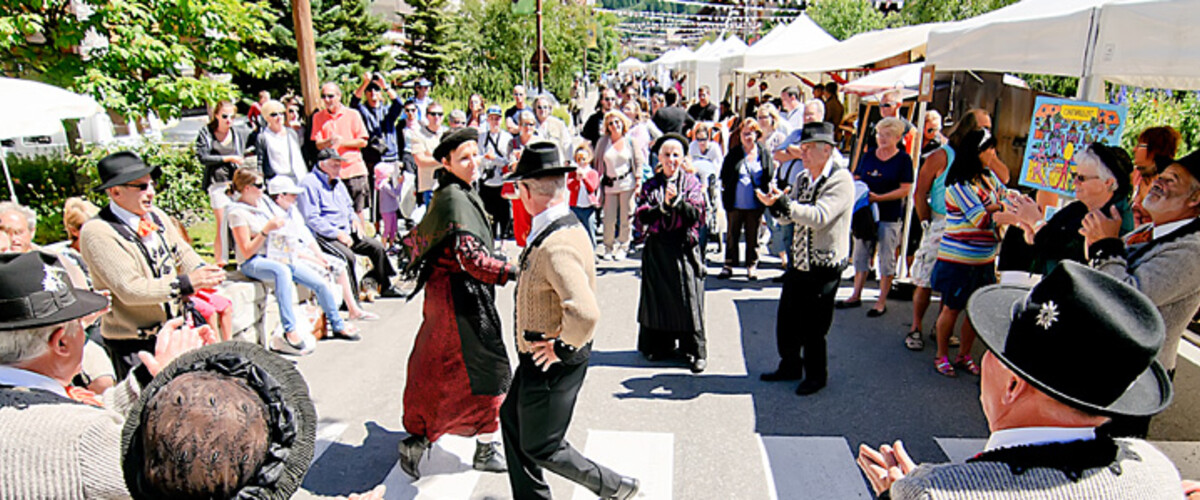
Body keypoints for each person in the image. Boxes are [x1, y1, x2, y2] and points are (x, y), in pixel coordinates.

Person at [859, 262, 1182, 500]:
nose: (985, 359)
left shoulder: (934, 494)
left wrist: (901, 495)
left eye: (994, 349)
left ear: (1013, 386)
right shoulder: (1157, 470)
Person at [0, 252, 219, 499]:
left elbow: (65, 412)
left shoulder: (41, 409)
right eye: (81, 324)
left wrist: (152, 376)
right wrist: (182, 395)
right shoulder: (85, 437)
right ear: (62, 342)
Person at [499, 143, 641, 500]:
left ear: (528, 191)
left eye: (520, 187)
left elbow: (585, 310)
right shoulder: (558, 223)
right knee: (512, 421)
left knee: (543, 445)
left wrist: (561, 347)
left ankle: (614, 486)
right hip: (540, 355)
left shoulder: (556, 243)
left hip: (552, 360)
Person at [396, 128, 518, 479]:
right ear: (446, 163)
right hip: (456, 301)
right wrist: (512, 271)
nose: (474, 162)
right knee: (469, 370)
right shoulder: (452, 197)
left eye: (475, 154)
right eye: (464, 158)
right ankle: (421, 438)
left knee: (462, 370)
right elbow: (472, 260)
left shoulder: (460, 191)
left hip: (457, 295)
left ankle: (475, 443)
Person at [1081, 150, 1200, 436]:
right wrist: (1098, 242)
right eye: (1161, 176)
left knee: (1110, 458)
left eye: (1172, 180)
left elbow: (1128, 300)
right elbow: (1102, 271)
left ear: (1195, 199)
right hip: (1112, 365)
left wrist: (1105, 245)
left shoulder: (1193, 250)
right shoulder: (1149, 229)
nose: (1159, 182)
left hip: (1137, 375)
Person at [80, 151, 226, 379]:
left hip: (175, 333)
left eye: (152, 184)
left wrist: (202, 270)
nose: (152, 192)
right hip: (134, 345)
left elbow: (181, 251)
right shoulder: (97, 232)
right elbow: (131, 289)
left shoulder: (155, 216)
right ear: (115, 191)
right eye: (141, 187)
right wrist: (186, 283)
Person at [755, 122, 853, 396]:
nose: (804, 154)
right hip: (800, 262)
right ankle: (790, 365)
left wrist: (785, 205)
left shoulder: (840, 179)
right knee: (787, 319)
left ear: (827, 150)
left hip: (824, 265)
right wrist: (775, 204)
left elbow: (820, 217)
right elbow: (791, 216)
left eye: (809, 149)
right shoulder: (802, 178)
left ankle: (816, 375)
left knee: (814, 325)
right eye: (803, 148)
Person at [227, 168, 358, 354]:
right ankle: (290, 330)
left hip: (276, 255)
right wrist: (266, 230)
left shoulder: (261, 205)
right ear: (247, 188)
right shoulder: (237, 213)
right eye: (258, 186)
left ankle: (337, 323)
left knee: (319, 281)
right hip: (254, 261)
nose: (262, 190)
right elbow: (246, 251)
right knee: (282, 272)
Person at [906, 110, 991, 351]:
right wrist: (925, 222)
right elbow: (920, 191)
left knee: (952, 279)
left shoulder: (978, 156)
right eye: (982, 128)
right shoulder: (942, 155)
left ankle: (940, 329)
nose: (987, 133)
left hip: (968, 225)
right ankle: (916, 327)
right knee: (924, 277)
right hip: (942, 221)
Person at [930, 129, 1007, 377]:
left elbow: (1005, 195)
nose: (993, 154)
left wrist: (1000, 204)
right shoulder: (958, 184)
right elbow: (980, 218)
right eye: (989, 149)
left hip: (984, 258)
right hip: (959, 259)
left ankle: (964, 354)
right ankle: (941, 354)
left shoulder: (988, 179)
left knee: (975, 309)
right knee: (951, 308)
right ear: (977, 152)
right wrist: (1002, 207)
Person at [996, 144, 1134, 276]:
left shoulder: (1114, 217)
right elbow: (1050, 237)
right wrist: (1029, 229)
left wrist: (1035, 222)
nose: (1075, 183)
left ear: (1107, 182)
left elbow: (1069, 253)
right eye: (1075, 176)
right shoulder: (1079, 207)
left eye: (1081, 178)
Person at [635, 134, 708, 372]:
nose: (671, 159)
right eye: (666, 155)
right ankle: (660, 346)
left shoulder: (692, 183)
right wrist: (663, 207)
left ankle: (695, 351)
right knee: (658, 299)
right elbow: (643, 215)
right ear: (659, 158)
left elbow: (696, 214)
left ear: (683, 158)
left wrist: (676, 202)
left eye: (676, 155)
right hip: (657, 249)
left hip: (682, 248)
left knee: (689, 299)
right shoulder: (651, 184)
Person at [268, 175, 377, 323]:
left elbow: (305, 234)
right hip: (289, 256)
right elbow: (286, 248)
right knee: (323, 276)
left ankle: (353, 309)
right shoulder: (273, 217)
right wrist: (315, 259)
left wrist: (319, 255)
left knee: (339, 265)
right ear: (280, 196)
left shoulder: (292, 211)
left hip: (302, 250)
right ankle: (334, 319)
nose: (296, 198)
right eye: (292, 195)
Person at [298, 148, 401, 299]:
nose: (339, 169)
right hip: (325, 235)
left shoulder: (338, 183)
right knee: (348, 257)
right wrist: (337, 234)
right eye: (334, 165)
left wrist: (355, 220)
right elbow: (312, 219)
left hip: (346, 231)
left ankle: (384, 286)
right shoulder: (309, 184)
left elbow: (349, 207)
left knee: (377, 247)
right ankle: (351, 300)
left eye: (339, 165)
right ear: (322, 165)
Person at [839, 117, 914, 317]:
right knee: (861, 252)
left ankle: (881, 301)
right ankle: (856, 294)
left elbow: (905, 189)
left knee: (887, 256)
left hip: (889, 214)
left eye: (887, 135)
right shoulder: (870, 155)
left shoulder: (903, 160)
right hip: (866, 213)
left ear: (898, 137)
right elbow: (857, 176)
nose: (882, 138)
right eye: (880, 134)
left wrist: (881, 197)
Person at [195, 100, 248, 267]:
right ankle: (220, 261)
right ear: (216, 115)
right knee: (221, 222)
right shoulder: (207, 133)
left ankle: (243, 258)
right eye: (225, 116)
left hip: (235, 184)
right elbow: (203, 157)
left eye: (232, 117)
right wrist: (227, 158)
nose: (228, 120)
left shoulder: (237, 134)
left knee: (239, 221)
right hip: (217, 183)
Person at [718, 119, 774, 280]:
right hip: (735, 202)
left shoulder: (763, 153)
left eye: (750, 133)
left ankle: (751, 265)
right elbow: (725, 174)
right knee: (732, 234)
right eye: (744, 133)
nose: (747, 137)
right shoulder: (734, 153)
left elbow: (768, 174)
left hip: (755, 203)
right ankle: (729, 264)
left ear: (757, 134)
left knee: (753, 235)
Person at [312, 82, 372, 225]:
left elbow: (363, 141)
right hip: (331, 173)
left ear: (339, 96)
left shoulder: (353, 115)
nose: (327, 100)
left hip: (353, 169)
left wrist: (342, 142)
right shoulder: (318, 117)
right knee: (334, 210)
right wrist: (329, 141)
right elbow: (318, 144)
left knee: (357, 211)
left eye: (331, 96)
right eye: (324, 96)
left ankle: (361, 242)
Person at [594, 110, 645, 261]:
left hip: (627, 183)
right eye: (611, 123)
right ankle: (608, 247)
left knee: (626, 217)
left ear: (623, 123)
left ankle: (623, 245)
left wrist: (638, 182)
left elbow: (638, 162)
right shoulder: (603, 142)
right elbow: (597, 164)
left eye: (617, 122)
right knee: (608, 219)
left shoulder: (630, 141)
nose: (614, 126)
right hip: (610, 184)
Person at [351, 72, 405, 182]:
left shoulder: (387, 111)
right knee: (373, 195)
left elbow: (398, 104)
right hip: (372, 159)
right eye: (369, 90)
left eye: (376, 90)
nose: (373, 93)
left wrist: (385, 86)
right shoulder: (364, 111)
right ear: (365, 93)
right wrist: (365, 83)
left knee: (393, 193)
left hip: (390, 158)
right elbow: (354, 103)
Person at [1130, 126, 1181, 228]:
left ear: (1155, 151)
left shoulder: (1173, 182)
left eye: (1140, 145)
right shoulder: (1136, 174)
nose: (1134, 149)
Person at [507, 110, 543, 247]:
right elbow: (511, 167)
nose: (529, 127)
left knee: (538, 222)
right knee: (522, 224)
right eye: (525, 124)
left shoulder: (540, 142)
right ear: (519, 126)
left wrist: (522, 160)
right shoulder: (513, 143)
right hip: (520, 189)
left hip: (537, 187)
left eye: (532, 124)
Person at [479, 105, 513, 240]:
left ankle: (504, 242)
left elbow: (508, 161)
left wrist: (495, 160)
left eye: (497, 119)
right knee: (489, 216)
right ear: (487, 120)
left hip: (501, 181)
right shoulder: (481, 137)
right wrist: (486, 160)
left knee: (504, 215)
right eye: (491, 118)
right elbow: (479, 158)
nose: (494, 122)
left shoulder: (507, 138)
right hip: (486, 182)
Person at [256, 99, 309, 183]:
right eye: (274, 114)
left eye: (281, 113)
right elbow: (260, 161)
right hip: (277, 181)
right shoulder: (263, 137)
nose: (279, 117)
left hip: (298, 177)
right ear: (266, 118)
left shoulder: (291, 133)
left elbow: (299, 157)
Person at [411, 101, 446, 206]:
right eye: (433, 114)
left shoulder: (447, 134)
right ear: (427, 116)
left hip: (448, 185)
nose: (436, 117)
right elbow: (420, 161)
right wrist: (444, 161)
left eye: (440, 114)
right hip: (430, 186)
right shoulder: (418, 135)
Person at [567, 142, 601, 248]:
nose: (581, 162)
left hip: (588, 208)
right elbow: (570, 187)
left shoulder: (592, 173)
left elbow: (592, 187)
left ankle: (592, 252)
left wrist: (585, 178)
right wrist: (576, 179)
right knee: (574, 231)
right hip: (575, 207)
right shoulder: (573, 172)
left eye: (584, 159)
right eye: (579, 158)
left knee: (590, 230)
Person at [535, 95, 573, 164]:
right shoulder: (530, 125)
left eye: (545, 107)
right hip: (538, 163)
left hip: (556, 162)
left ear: (550, 108)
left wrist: (568, 160)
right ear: (535, 109)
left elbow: (566, 142)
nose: (542, 110)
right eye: (539, 107)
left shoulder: (559, 124)